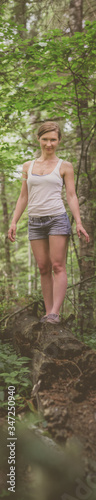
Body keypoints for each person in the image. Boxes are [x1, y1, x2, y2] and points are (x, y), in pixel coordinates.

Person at [8, 121, 89, 324]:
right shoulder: (28, 166)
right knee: (43, 267)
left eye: (53, 139)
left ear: (59, 140)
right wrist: (14, 221)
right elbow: (23, 197)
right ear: (39, 139)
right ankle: (47, 312)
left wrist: (78, 222)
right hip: (35, 221)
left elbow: (71, 195)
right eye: (45, 139)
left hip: (57, 219)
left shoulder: (65, 166)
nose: (49, 144)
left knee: (57, 265)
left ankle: (55, 312)